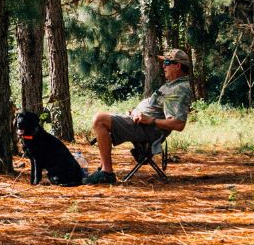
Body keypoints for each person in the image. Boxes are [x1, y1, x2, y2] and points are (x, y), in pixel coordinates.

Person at [82, 48, 192, 187]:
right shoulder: (172, 85)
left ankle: (107, 173)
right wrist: (136, 112)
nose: (163, 66)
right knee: (103, 118)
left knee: (100, 119)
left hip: (148, 129)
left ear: (178, 66)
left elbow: (178, 124)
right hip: (141, 124)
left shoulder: (180, 88)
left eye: (168, 62)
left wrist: (150, 120)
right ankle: (103, 168)